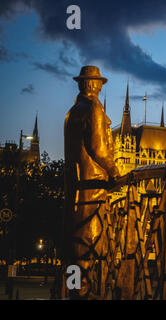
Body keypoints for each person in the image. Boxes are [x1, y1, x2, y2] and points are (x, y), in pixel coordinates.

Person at [64, 66, 119, 299]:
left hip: (75, 186)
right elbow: (98, 149)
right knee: (90, 240)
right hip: (92, 186)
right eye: (97, 84)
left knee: (76, 238)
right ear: (96, 85)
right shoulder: (94, 108)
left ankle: (75, 291)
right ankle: (84, 292)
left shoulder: (72, 111)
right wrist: (115, 172)